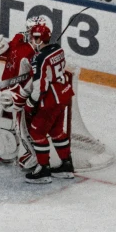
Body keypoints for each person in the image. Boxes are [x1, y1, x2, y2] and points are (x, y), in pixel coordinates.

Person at [18, 15, 77, 178]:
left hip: (50, 100)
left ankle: (43, 169)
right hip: (64, 94)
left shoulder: (39, 59)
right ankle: (66, 165)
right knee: (57, 131)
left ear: (40, 39)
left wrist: (30, 103)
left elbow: (39, 87)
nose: (32, 40)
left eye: (35, 37)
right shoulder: (58, 49)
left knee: (37, 133)